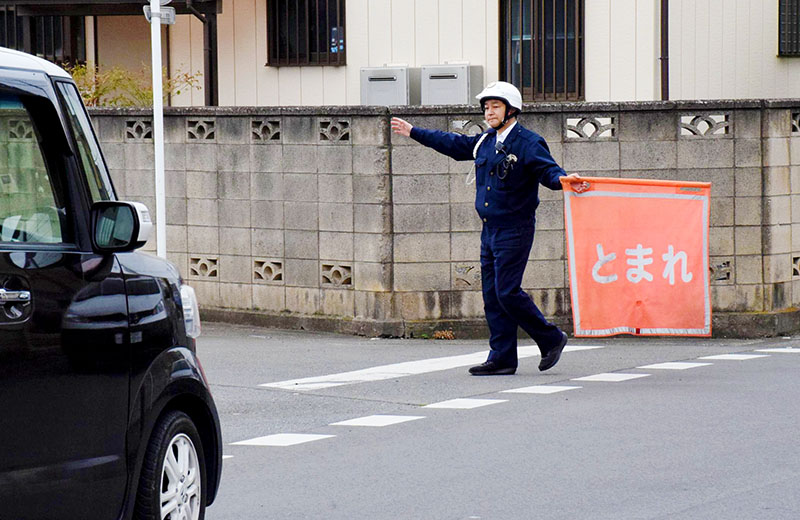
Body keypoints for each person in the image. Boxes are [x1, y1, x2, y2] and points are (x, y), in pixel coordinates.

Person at [391, 81, 583, 376]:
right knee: (492, 295)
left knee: (507, 291)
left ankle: (551, 337)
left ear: (511, 109)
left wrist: (564, 180)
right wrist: (414, 132)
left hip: (515, 228)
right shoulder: (485, 142)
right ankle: (502, 357)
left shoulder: (529, 142)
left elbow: (548, 171)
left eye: (495, 106)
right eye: (486, 107)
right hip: (489, 229)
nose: (489, 112)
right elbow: (453, 144)